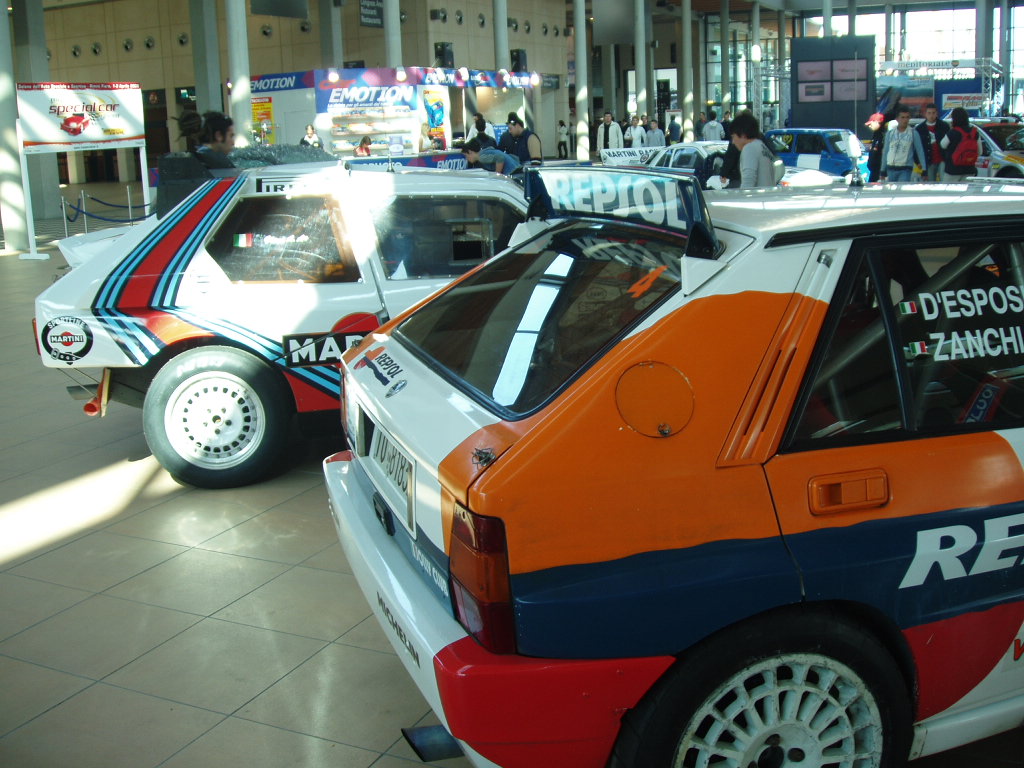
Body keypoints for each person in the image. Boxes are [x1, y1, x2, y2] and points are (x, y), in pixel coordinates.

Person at [729, 112, 777, 188]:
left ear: (743, 135)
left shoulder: (749, 148)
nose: (733, 142)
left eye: (733, 137)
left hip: (757, 198)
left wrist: (743, 198)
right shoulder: (761, 145)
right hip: (767, 196)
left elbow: (748, 181)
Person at [880, 106, 927, 182]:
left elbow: (920, 151)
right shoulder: (890, 133)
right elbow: (885, 152)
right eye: (902, 117)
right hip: (890, 167)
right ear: (897, 119)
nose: (905, 120)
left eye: (907, 117)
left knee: (901, 191)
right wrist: (882, 170)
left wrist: (924, 170)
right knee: (891, 192)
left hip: (905, 168)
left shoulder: (913, 133)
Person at [941, 107, 979, 182]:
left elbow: (943, 145)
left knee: (948, 192)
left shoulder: (952, 132)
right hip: (970, 170)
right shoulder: (974, 133)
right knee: (966, 192)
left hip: (953, 170)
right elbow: (979, 151)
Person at [915, 102, 950, 182]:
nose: (931, 115)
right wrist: (918, 161)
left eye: (933, 113)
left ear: (937, 113)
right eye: (929, 113)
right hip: (928, 160)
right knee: (931, 183)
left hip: (942, 159)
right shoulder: (920, 129)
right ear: (925, 114)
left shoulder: (944, 126)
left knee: (944, 182)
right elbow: (916, 147)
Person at [865, 112, 888, 183]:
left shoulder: (883, 136)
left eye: (871, 123)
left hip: (879, 170)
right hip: (874, 170)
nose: (869, 125)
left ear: (878, 122)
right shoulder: (876, 135)